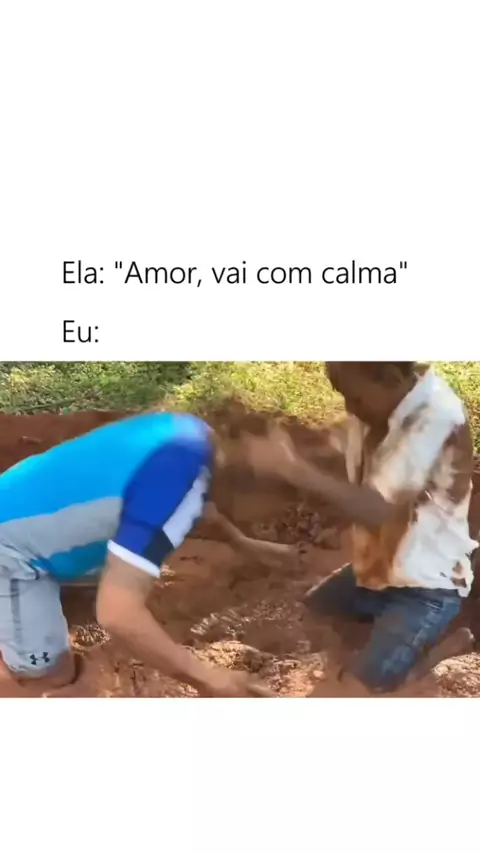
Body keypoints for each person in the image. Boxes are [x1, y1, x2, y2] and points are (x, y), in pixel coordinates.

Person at [0, 411, 291, 698]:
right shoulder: (179, 481)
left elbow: (194, 508)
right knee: (50, 674)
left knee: (120, 572)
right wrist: (207, 678)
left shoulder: (189, 434)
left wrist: (244, 543)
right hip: (10, 553)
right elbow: (117, 614)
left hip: (17, 509)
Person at [243, 362, 478, 696]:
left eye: (355, 397)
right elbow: (336, 445)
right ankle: (406, 656)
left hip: (427, 588)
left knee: (355, 692)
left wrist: (293, 470)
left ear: (390, 377)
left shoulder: (434, 417)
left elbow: (375, 509)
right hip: (378, 571)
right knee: (311, 615)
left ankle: (422, 666)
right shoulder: (383, 405)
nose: (349, 408)